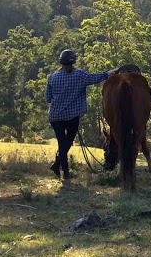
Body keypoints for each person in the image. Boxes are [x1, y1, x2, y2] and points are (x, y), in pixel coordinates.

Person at [45, 50, 116, 179]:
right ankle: (64, 172)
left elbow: (48, 98)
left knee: (62, 143)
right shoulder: (80, 75)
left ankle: (59, 167)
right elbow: (98, 77)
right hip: (72, 117)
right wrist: (114, 71)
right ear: (73, 62)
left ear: (61, 62)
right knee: (66, 143)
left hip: (55, 117)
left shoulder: (52, 77)